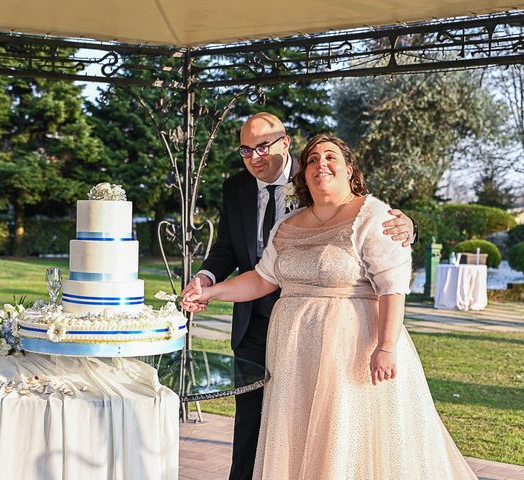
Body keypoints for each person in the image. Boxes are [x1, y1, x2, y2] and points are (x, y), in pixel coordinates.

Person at [182, 134, 476, 480]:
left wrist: (386, 347)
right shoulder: (288, 225)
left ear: (350, 169)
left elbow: (392, 289)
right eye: (312, 160)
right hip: (294, 360)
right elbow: (262, 279)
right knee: (300, 438)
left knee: (345, 437)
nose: (321, 164)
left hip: (351, 354)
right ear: (303, 175)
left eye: (331, 157)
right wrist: (209, 293)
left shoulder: (375, 217)